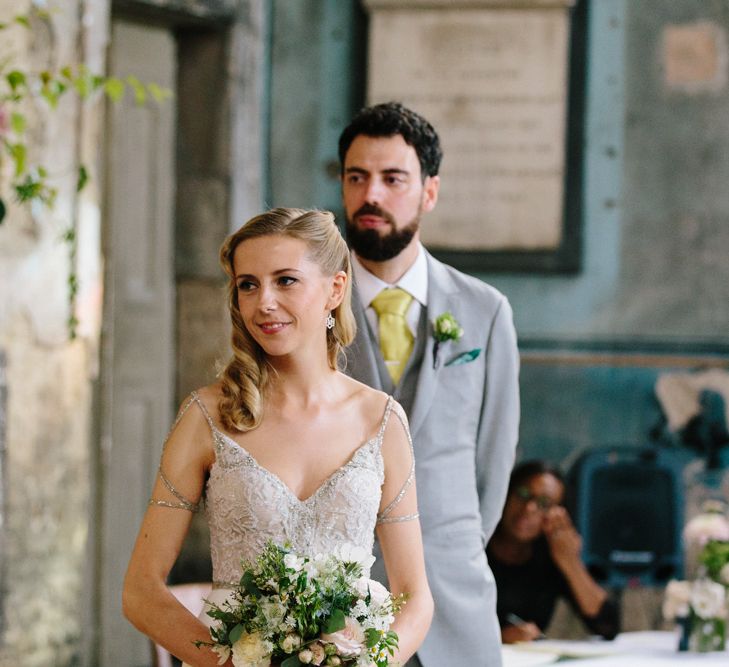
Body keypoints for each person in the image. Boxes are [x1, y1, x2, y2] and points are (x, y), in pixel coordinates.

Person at [122, 208, 433, 667]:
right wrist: (228, 663)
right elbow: (140, 591)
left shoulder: (381, 420)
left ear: (335, 288)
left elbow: (414, 596)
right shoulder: (206, 417)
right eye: (248, 284)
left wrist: (369, 664)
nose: (263, 301)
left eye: (285, 280)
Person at [339, 102, 520, 666]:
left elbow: (493, 465)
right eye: (357, 177)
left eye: (393, 178)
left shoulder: (484, 311)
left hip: (454, 601)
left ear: (429, 192)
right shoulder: (303, 308)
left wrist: (450, 546)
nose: (372, 195)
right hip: (337, 607)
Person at [487, 460, 619, 643]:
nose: (529, 508)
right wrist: (498, 637)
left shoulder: (549, 555)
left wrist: (570, 562)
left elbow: (606, 626)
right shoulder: (475, 546)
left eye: (544, 503)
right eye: (523, 494)